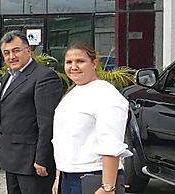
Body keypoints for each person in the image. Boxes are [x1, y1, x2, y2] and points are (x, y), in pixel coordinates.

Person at [52, 41, 130, 194]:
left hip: (94, 176)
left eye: (80, 61)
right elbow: (63, 139)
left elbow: (111, 143)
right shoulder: (72, 92)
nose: (73, 67)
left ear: (94, 63)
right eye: (69, 62)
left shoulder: (106, 94)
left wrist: (107, 187)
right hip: (68, 177)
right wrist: (58, 177)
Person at [0, 30, 64, 194]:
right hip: (11, 159)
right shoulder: (9, 77)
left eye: (16, 50)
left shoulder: (44, 77)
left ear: (28, 50)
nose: (11, 56)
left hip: (31, 161)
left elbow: (47, 122)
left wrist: (42, 158)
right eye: (6, 53)